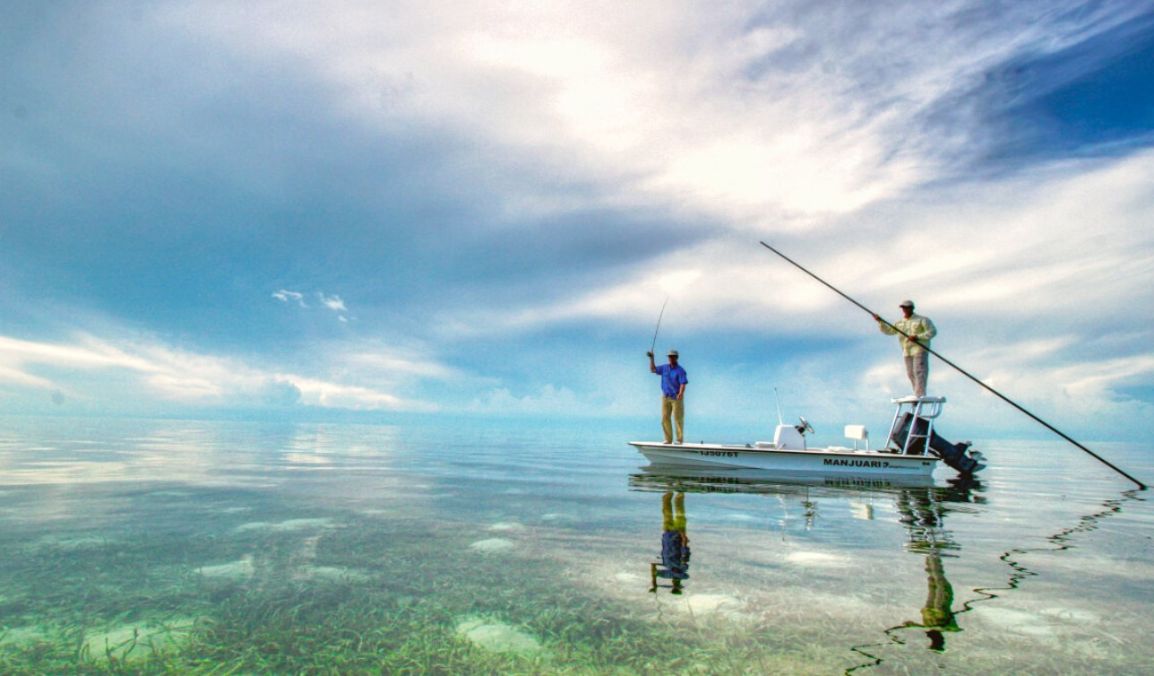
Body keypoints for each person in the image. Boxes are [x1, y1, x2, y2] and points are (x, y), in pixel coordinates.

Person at [873, 300, 937, 397]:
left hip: (919, 349)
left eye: (907, 307)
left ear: (912, 308)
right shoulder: (899, 323)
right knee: (910, 373)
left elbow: (932, 332)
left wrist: (917, 337)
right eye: (903, 307)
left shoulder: (922, 320)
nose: (905, 309)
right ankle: (917, 393)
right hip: (906, 351)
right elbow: (889, 331)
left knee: (919, 371)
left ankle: (920, 394)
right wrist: (880, 322)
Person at [649, 491, 690, 594]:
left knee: (667, 513)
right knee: (679, 513)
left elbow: (653, 569)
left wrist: (655, 585)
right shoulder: (682, 569)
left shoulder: (668, 572)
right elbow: (685, 553)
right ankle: (679, 493)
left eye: (675, 582)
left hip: (668, 537)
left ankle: (670, 493)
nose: (675, 580)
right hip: (676, 537)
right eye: (677, 581)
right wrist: (683, 538)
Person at [647, 348, 687, 444]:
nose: (671, 358)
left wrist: (681, 393)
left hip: (676, 397)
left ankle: (679, 440)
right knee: (665, 418)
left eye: (673, 357)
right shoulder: (664, 368)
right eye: (669, 357)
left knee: (678, 418)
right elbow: (653, 369)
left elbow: (683, 383)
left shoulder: (680, 370)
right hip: (665, 397)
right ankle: (668, 439)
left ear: (676, 358)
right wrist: (652, 358)